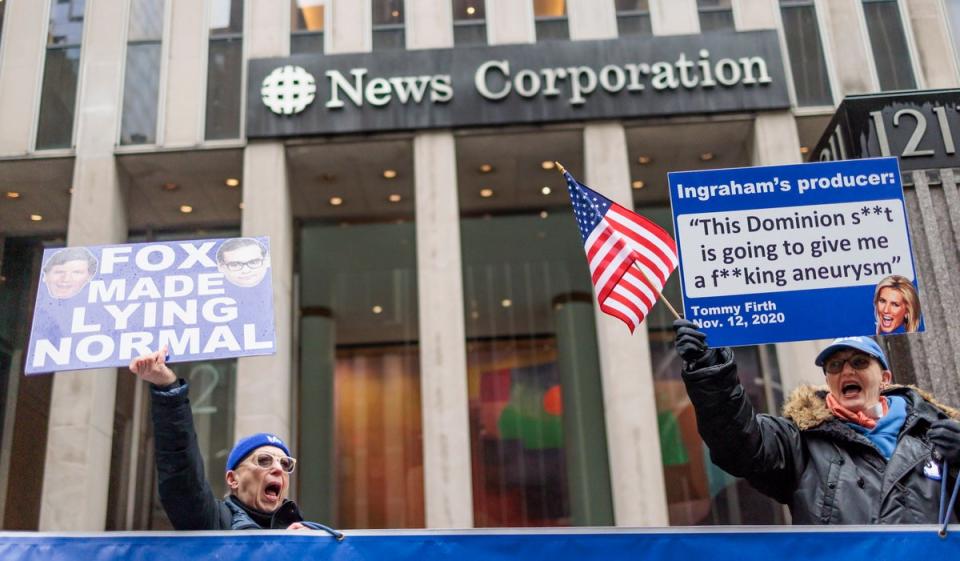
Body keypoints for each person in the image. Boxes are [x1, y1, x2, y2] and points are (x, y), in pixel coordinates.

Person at [674, 319, 960, 524]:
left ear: (885, 378)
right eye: (835, 366)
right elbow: (738, 443)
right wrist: (711, 372)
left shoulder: (936, 433)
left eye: (859, 362)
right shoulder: (801, 442)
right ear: (828, 380)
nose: (846, 370)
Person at [129, 346, 338, 533]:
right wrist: (168, 388)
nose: (278, 469)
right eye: (264, 460)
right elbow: (181, 473)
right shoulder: (214, 523)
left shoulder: (305, 535)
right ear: (232, 479)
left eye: (285, 464)